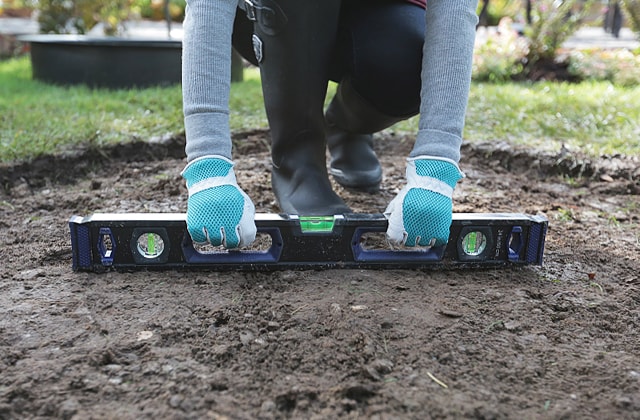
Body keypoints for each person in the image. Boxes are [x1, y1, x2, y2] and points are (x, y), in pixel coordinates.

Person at [181, 0, 478, 249]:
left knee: (405, 60)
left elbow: (454, 13)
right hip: (278, 15)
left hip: (377, 16)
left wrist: (435, 173)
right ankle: (298, 162)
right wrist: (209, 169)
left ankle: (346, 126)